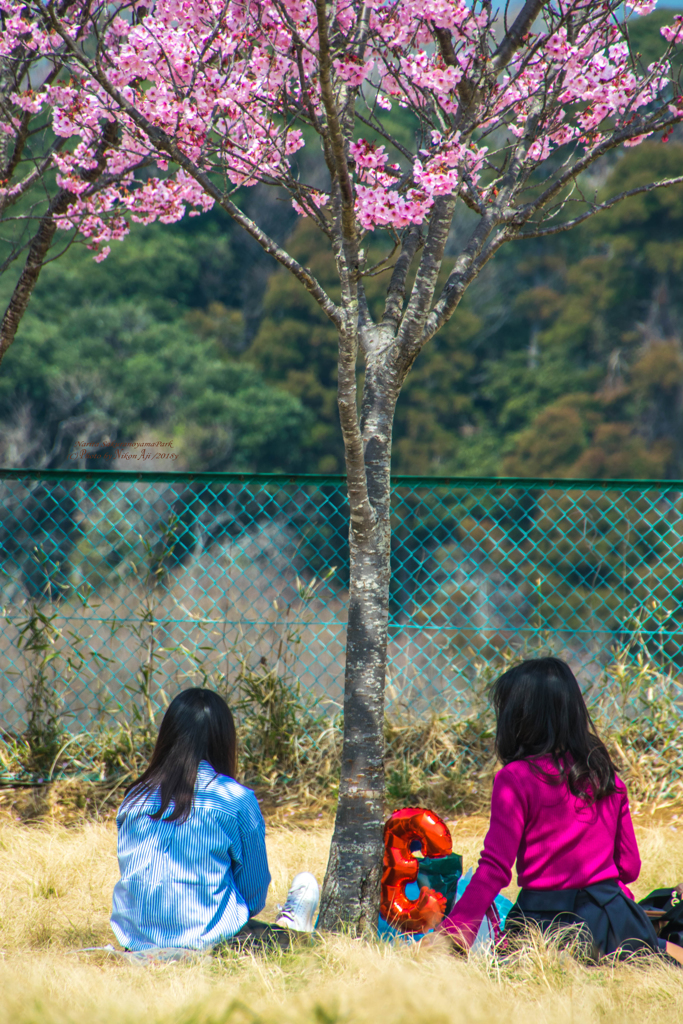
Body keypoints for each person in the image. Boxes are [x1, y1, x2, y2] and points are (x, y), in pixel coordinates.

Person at [439, 657, 683, 964]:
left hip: (545, 927)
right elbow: (630, 868)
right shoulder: (607, 777)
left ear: (518, 719)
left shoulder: (515, 778)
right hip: (614, 922)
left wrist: (453, 933)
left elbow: (494, 869)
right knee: (658, 953)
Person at [110, 687, 320, 952]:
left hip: (136, 943)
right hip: (212, 945)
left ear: (167, 737)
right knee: (296, 945)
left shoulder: (133, 799)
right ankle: (292, 925)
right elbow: (253, 897)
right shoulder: (236, 799)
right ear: (224, 741)